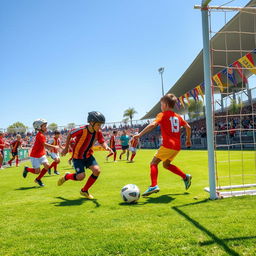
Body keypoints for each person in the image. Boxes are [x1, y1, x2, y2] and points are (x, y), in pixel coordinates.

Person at [133, 94, 192, 196]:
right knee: (166, 165)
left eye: (161, 104)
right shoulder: (178, 117)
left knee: (153, 163)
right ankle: (185, 177)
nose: (161, 106)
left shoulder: (162, 115)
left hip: (167, 145)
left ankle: (153, 185)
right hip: (177, 147)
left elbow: (153, 124)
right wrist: (188, 140)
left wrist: (139, 134)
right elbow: (188, 127)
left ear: (165, 104)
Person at [58, 111, 113, 199]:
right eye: (98, 124)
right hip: (78, 157)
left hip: (88, 156)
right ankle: (66, 176)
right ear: (91, 122)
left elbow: (102, 141)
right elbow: (70, 134)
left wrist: (107, 147)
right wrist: (66, 148)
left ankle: (84, 190)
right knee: (81, 177)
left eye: (101, 125)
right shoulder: (82, 129)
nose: (100, 127)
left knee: (97, 171)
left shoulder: (98, 132)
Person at [23, 119, 59, 187]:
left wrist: (52, 148)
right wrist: (54, 146)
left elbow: (46, 146)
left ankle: (38, 179)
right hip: (35, 155)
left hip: (41, 154)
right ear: (39, 127)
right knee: (37, 171)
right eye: (44, 126)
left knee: (47, 166)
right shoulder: (40, 135)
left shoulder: (42, 134)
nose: (46, 127)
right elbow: (45, 145)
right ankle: (27, 169)